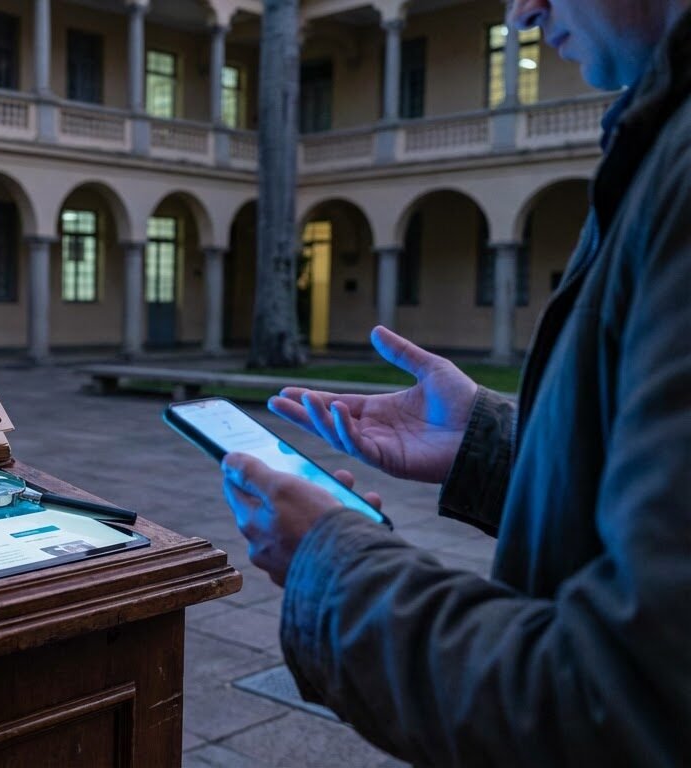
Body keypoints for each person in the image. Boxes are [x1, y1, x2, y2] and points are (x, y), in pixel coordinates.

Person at [220, 0, 691, 764]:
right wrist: (486, 444)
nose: (524, 11)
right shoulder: (660, 138)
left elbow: (624, 702)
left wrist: (329, 567)